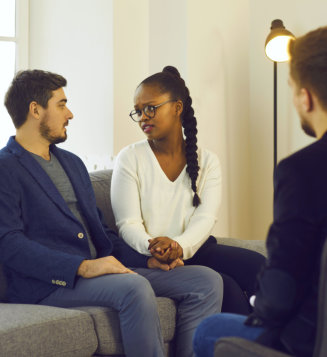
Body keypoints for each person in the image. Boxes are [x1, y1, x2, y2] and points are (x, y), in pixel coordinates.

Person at [0, 69, 224, 357]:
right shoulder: (6, 168)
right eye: (61, 104)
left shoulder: (72, 163)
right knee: (134, 287)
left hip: (101, 271)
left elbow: (103, 235)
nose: (70, 114)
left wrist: (147, 260)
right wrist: (82, 266)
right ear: (35, 110)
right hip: (51, 283)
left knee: (205, 281)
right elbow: (9, 244)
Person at [193, 26, 327, 357]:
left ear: (305, 97)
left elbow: (282, 283)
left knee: (209, 329)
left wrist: (261, 309)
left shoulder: (301, 170)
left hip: (309, 339)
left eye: (292, 89)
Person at [111, 65, 266, 314]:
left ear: (177, 107)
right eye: (138, 111)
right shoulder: (129, 158)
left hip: (194, 250)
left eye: (151, 108)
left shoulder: (208, 161)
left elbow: (205, 219)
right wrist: (155, 246)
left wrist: (179, 246)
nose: (143, 117)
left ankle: (284, 343)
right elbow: (127, 224)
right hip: (149, 256)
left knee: (261, 267)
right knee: (227, 287)